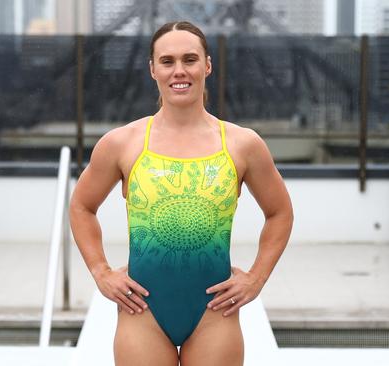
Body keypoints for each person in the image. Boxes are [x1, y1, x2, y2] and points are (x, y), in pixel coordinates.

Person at [70, 21, 294, 366]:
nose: (179, 71)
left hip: (213, 313)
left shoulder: (242, 144)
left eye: (190, 59)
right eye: (168, 61)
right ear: (153, 69)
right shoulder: (123, 143)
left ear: (207, 65)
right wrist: (101, 271)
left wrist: (256, 278)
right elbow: (82, 206)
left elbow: (280, 213)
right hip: (142, 311)